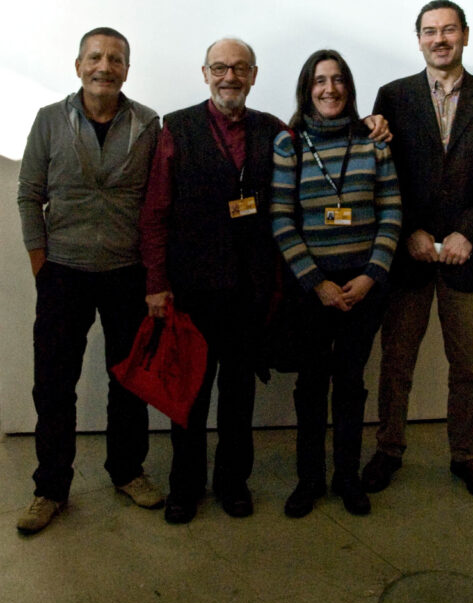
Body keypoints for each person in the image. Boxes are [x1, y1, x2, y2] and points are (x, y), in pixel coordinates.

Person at [140, 38, 390, 525]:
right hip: (191, 290)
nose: (228, 77)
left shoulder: (276, 132)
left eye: (239, 68)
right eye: (219, 68)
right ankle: (184, 488)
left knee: (238, 396)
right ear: (204, 72)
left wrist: (371, 124)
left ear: (254, 75)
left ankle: (233, 484)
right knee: (187, 394)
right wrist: (156, 282)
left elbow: (324, 137)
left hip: (247, 294)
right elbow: (154, 212)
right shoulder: (176, 129)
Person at [362, 0, 473, 503]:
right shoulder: (393, 96)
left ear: (465, 36)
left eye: (449, 29)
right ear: (419, 39)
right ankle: (389, 447)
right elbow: (384, 175)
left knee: (469, 367)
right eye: (430, 31)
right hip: (408, 252)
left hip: (469, 256)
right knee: (397, 360)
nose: (440, 38)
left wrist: (467, 233)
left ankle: (466, 455)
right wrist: (409, 230)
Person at [16, 27, 163, 534]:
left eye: (116, 58)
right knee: (53, 386)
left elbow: (155, 204)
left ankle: (128, 471)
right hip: (63, 272)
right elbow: (29, 194)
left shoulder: (148, 124)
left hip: (127, 274)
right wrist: (41, 263)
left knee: (130, 381)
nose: (105, 65)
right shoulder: (49, 120)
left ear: (127, 69)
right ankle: (50, 487)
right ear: (78, 65)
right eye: (96, 57)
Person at [270, 49, 402, 518]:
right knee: (311, 386)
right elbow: (282, 220)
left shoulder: (373, 141)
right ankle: (310, 480)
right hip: (313, 290)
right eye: (319, 81)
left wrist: (372, 275)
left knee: (350, 384)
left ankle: (347, 478)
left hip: (364, 288)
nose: (329, 89)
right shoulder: (290, 145)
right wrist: (317, 283)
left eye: (338, 80)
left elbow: (391, 213)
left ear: (348, 86)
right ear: (308, 89)